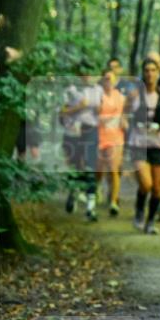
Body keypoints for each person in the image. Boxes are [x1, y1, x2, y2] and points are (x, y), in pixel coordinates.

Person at [128, 58, 160, 234]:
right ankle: (139, 210)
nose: (150, 73)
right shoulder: (135, 94)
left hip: (159, 144)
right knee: (146, 184)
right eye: (147, 70)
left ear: (158, 73)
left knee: (158, 187)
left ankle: (150, 221)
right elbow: (123, 113)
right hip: (139, 143)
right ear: (143, 73)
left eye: (153, 70)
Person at [60, 65, 102, 221]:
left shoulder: (97, 90)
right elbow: (62, 112)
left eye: (90, 72)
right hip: (73, 131)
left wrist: (99, 109)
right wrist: (79, 106)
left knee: (90, 166)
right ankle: (73, 192)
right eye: (83, 73)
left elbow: (100, 111)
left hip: (90, 130)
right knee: (75, 166)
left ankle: (91, 208)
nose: (87, 76)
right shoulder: (70, 90)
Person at [97, 67, 127, 217]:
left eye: (111, 79)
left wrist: (124, 122)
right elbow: (94, 116)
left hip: (116, 137)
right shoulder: (98, 96)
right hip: (99, 136)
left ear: (116, 81)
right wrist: (107, 119)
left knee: (114, 169)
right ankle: (97, 189)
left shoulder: (121, 97)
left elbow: (124, 116)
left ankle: (114, 202)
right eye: (106, 78)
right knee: (99, 170)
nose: (108, 81)